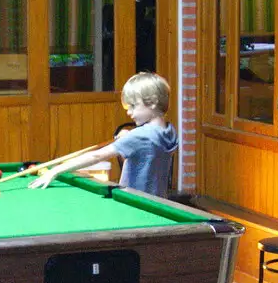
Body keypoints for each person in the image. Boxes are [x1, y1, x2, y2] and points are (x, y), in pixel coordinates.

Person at [30, 71, 179, 197]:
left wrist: (55, 170)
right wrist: (129, 136)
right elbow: (146, 148)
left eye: (133, 106)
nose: (128, 111)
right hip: (158, 201)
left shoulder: (139, 136)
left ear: (152, 103)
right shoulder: (168, 131)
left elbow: (97, 156)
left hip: (133, 203)